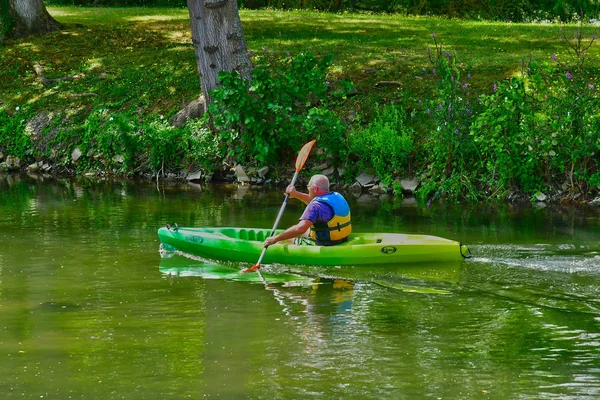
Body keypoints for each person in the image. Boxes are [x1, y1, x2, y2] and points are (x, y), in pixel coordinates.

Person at [263, 174, 352, 247]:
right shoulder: (337, 196)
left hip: (325, 243)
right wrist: (296, 194)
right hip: (342, 238)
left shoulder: (315, 206)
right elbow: (316, 203)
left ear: (315, 189)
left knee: (285, 238)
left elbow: (300, 228)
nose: (307, 188)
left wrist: (275, 239)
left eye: (308, 186)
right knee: (302, 232)